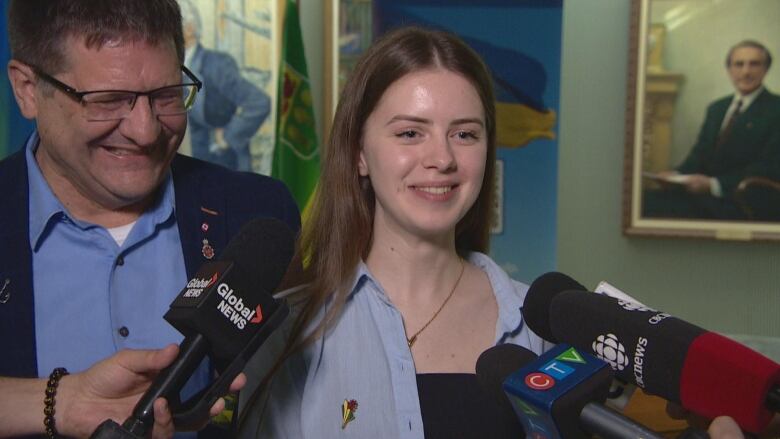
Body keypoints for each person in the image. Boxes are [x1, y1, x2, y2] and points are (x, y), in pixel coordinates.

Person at [0, 0, 299, 437]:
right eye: (107, 100)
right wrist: (59, 401)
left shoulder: (258, 213)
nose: (146, 131)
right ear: (27, 89)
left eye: (166, 94)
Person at [236, 26, 551, 439]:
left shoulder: (540, 327)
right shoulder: (289, 330)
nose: (442, 158)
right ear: (359, 154)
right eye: (409, 133)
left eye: (465, 134)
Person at [643, 39, 780, 220]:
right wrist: (675, 175)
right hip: (705, 197)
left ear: (765, 69)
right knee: (643, 201)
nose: (746, 72)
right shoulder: (717, 108)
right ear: (729, 70)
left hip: (745, 199)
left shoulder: (775, 108)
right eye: (739, 64)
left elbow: (769, 167)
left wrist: (714, 185)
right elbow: (700, 154)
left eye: (754, 64)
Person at [178, 0, 270, 172]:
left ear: (189, 29)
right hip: (183, 173)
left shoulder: (217, 64)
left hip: (220, 169)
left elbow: (259, 102)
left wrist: (227, 137)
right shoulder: (169, 68)